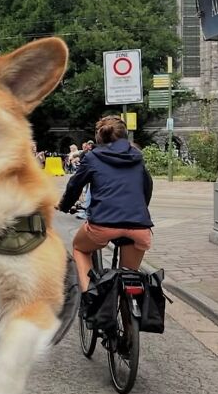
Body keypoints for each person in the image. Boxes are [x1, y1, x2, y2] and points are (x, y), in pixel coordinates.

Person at [57, 116, 153, 296]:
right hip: (139, 226)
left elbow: (74, 186)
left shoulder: (92, 157)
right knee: (130, 277)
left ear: (99, 137)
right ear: (125, 136)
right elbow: (147, 187)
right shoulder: (137, 157)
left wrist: (64, 205)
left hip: (103, 224)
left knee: (80, 248)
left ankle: (90, 296)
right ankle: (131, 318)